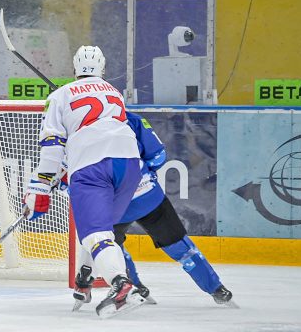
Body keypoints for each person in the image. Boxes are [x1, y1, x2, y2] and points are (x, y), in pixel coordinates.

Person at [23, 46, 145, 318]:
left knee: (95, 234)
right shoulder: (115, 93)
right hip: (128, 163)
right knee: (100, 232)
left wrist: (40, 187)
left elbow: (54, 146)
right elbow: (101, 132)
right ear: (103, 69)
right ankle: (85, 278)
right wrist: (58, 173)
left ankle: (122, 285)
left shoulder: (59, 95)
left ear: (74, 69)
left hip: (92, 166)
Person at [71, 111, 235, 309]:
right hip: (146, 193)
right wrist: (139, 172)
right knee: (180, 247)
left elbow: (70, 176)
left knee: (105, 243)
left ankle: (132, 287)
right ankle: (217, 289)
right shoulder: (130, 118)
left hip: (114, 203)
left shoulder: (73, 127)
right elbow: (158, 156)